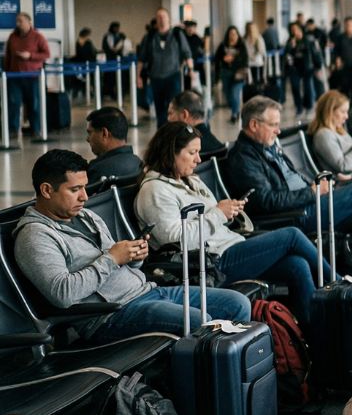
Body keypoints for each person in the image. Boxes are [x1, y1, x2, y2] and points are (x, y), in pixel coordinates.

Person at [14, 150, 250, 344]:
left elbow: (116, 260)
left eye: (85, 188)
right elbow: (62, 293)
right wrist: (113, 259)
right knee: (200, 321)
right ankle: (207, 395)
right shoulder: (35, 236)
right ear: (46, 190)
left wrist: (133, 256)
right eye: (75, 190)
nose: (85, 197)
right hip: (111, 315)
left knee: (237, 305)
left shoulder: (85, 217)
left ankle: (236, 384)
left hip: (147, 291)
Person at [135, 122, 330, 324]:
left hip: (229, 246)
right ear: (170, 153)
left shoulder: (190, 180)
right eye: (192, 152)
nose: (198, 159)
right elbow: (176, 241)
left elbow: (210, 217)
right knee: (291, 235)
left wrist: (226, 210)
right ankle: (337, 283)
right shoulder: (154, 191)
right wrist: (218, 213)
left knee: (297, 265)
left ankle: (313, 336)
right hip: (210, 264)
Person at [225, 96, 352, 292]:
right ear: (254, 124)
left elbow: (292, 180)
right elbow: (266, 201)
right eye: (273, 125)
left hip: (308, 202)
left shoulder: (268, 147)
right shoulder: (243, 158)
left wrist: (317, 187)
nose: (278, 130)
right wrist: (312, 192)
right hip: (296, 214)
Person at [136, 8, 193, 125]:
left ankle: (174, 131)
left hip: (173, 76)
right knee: (159, 108)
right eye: (159, 17)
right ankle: (162, 132)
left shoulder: (177, 34)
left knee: (174, 106)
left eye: (164, 16)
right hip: (155, 77)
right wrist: (138, 76)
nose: (161, 19)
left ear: (168, 19)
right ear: (156, 20)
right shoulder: (150, 37)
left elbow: (187, 53)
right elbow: (142, 58)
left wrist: (191, 70)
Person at [4, 12, 50, 136]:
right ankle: (12, 130)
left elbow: (46, 54)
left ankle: (36, 129)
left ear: (29, 22)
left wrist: (30, 56)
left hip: (33, 77)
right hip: (14, 77)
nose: (18, 24)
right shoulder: (12, 37)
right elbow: (8, 56)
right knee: (13, 104)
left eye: (21, 21)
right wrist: (6, 73)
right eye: (17, 21)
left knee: (34, 104)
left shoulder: (38, 36)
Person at [85, 106, 142, 184]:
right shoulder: (138, 164)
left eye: (90, 133)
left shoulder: (98, 170)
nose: (87, 139)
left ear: (105, 133)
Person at [284, 21, 323, 117]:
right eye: (292, 30)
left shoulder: (308, 40)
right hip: (294, 68)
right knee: (295, 87)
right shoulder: (290, 41)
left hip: (307, 67)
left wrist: (318, 66)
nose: (294, 32)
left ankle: (309, 106)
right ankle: (299, 107)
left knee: (308, 88)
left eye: (296, 29)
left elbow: (315, 53)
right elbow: (286, 55)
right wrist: (291, 47)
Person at [168, 89, 224, 154]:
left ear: (184, 115)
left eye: (170, 113)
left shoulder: (182, 148)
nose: (168, 119)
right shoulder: (218, 146)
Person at [214, 26, 249, 123]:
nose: (233, 35)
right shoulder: (223, 46)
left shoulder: (241, 46)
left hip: (238, 74)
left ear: (238, 35)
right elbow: (217, 59)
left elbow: (245, 60)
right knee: (228, 95)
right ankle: (235, 110)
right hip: (226, 74)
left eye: (235, 33)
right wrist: (224, 60)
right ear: (228, 35)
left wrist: (233, 60)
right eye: (231, 33)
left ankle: (235, 114)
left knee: (235, 94)